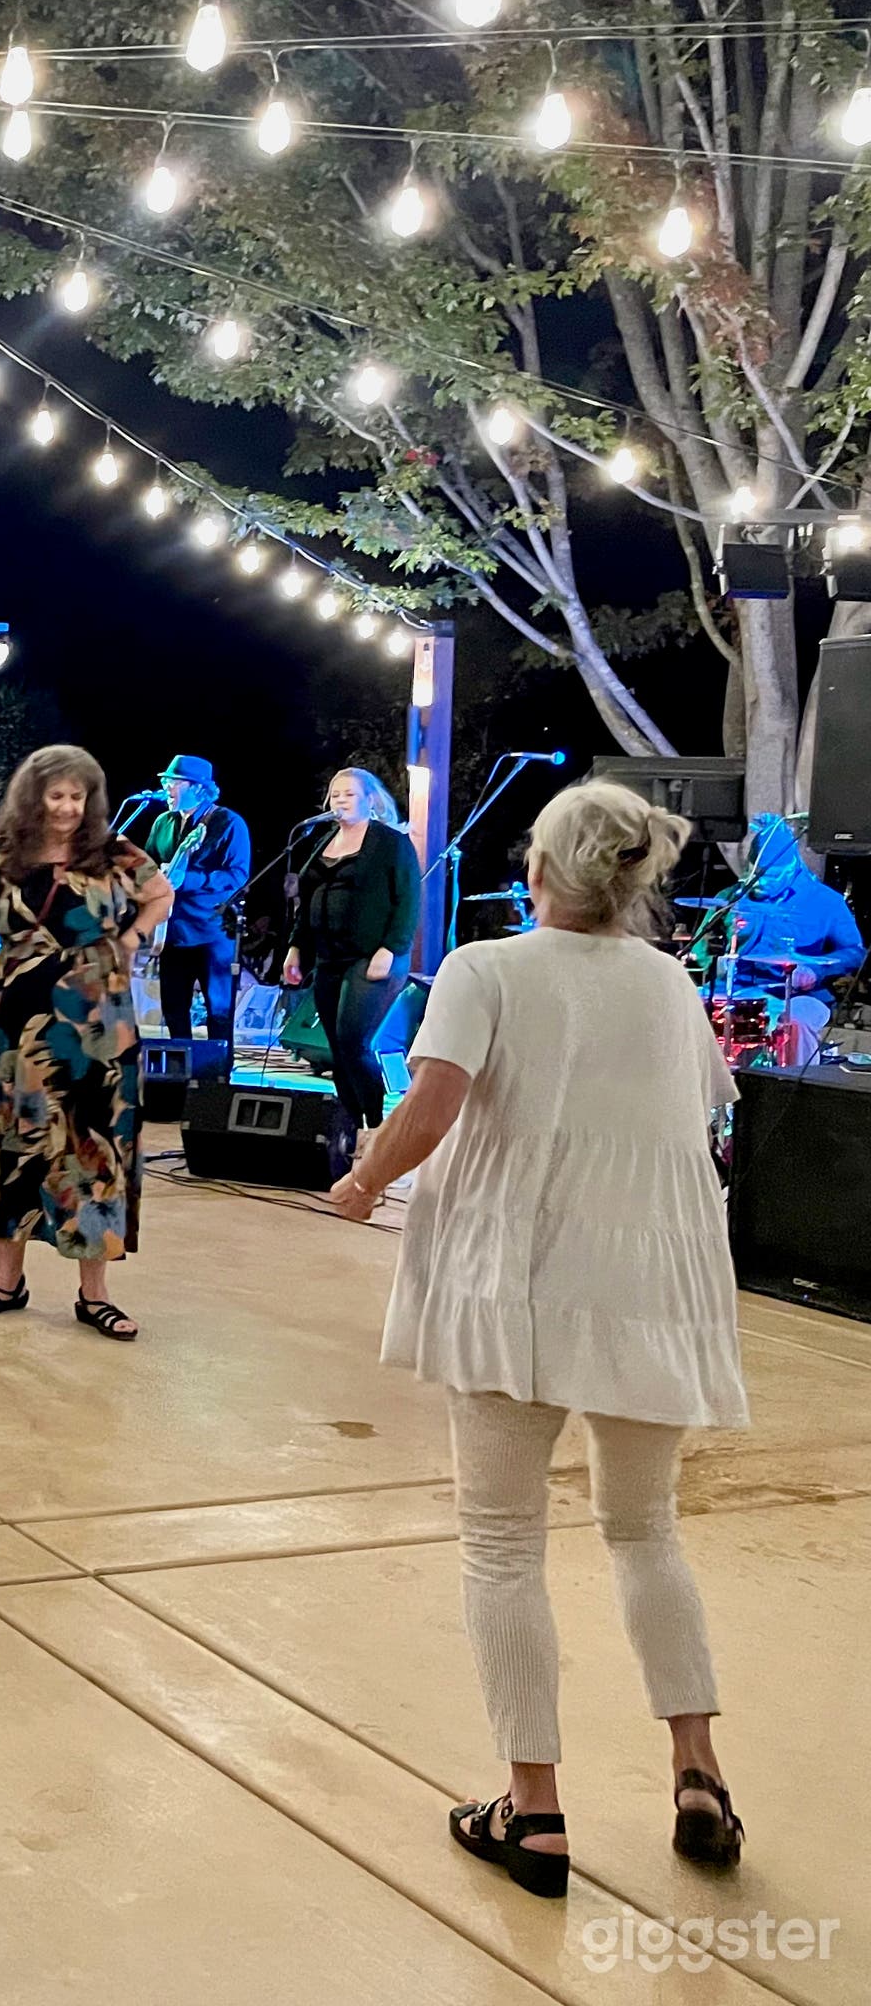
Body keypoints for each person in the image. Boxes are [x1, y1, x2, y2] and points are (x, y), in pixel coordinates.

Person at [333, 780, 747, 1898]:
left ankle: (537, 1813)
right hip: (650, 1283)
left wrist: (366, 1178)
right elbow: (709, 1108)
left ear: (539, 873)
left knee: (503, 1544)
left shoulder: (487, 966)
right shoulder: (668, 981)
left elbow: (432, 1106)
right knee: (645, 1532)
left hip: (513, 1281)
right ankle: (698, 1773)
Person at [0, 745, 173, 1340]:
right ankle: (7, 1281)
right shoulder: (7, 857)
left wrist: (135, 935)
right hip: (17, 1025)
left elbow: (160, 894)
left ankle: (95, 1295)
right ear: (33, 796)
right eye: (56, 794)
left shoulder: (115, 855)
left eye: (77, 796)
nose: (66, 807)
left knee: (92, 1150)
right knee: (12, 1142)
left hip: (96, 1027)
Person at [282, 767, 422, 1133]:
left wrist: (390, 949)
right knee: (335, 1046)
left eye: (349, 794)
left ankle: (375, 1125)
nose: (340, 801)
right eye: (336, 794)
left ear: (370, 800)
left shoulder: (389, 842)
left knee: (353, 1039)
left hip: (372, 955)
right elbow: (308, 899)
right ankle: (350, 1124)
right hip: (329, 955)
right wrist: (296, 947)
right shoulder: (322, 841)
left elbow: (408, 900)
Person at [717, 812, 863, 1064]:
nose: (761, 882)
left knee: (796, 1019)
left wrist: (814, 970)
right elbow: (699, 950)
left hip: (798, 996)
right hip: (740, 990)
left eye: (772, 876)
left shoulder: (824, 901)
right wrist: (711, 960)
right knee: (688, 1004)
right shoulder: (731, 897)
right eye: (756, 873)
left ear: (792, 866)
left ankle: (796, 1090)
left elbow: (854, 952)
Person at [144, 754, 251, 1044]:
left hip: (212, 934)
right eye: (166, 781)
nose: (168, 787)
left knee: (218, 1013)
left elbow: (237, 876)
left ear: (199, 788)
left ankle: (217, 1080)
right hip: (171, 932)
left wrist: (187, 880)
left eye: (175, 782)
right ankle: (181, 1079)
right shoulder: (163, 822)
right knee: (174, 1011)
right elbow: (148, 866)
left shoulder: (228, 823)